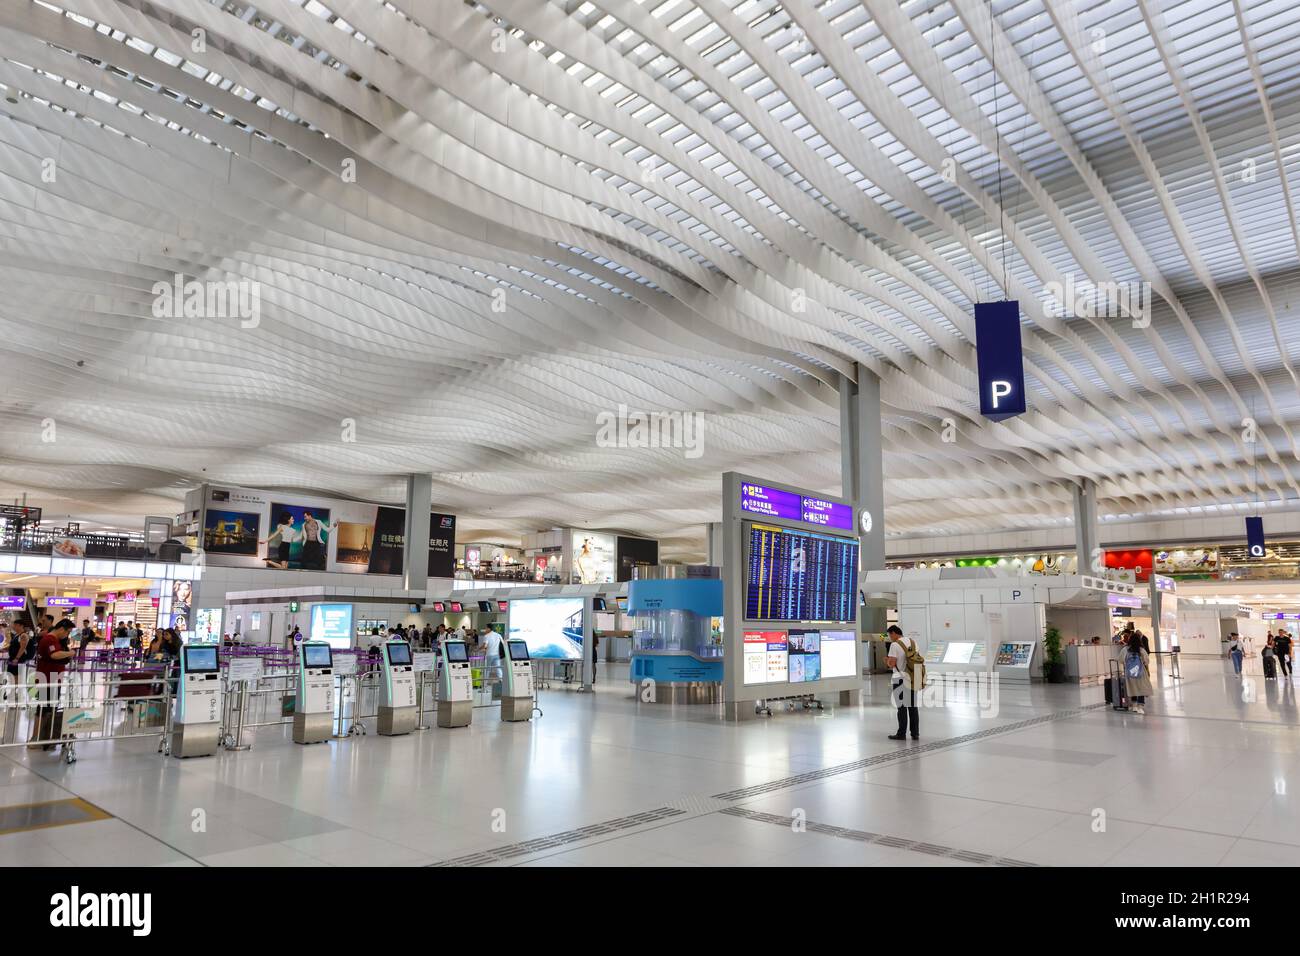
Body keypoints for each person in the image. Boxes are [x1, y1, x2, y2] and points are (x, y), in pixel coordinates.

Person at [32, 619, 75, 750]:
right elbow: (55, 655)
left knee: (49, 709)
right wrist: (70, 653)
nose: (67, 635)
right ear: (62, 628)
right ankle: (35, 739)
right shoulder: (49, 639)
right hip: (47, 679)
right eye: (67, 632)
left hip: (53, 678)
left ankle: (45, 738)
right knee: (43, 710)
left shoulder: (54, 640)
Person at [885, 625, 920, 741]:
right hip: (912, 677)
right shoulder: (913, 642)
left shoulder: (895, 645)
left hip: (899, 678)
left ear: (894, 633)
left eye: (890, 635)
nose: (890, 637)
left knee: (901, 707)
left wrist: (887, 661)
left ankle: (901, 733)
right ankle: (915, 733)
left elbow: (892, 663)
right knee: (913, 707)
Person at [1123, 630, 1153, 715]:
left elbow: (1121, 659)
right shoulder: (1141, 649)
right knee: (1141, 688)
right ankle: (1140, 707)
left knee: (1133, 688)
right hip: (1140, 672)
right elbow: (1146, 661)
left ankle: (1134, 706)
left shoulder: (1126, 649)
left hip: (1129, 673)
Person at [5, 620, 32, 686]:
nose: (13, 626)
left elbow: (22, 648)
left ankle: (16, 693)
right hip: (12, 658)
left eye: (15, 625)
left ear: (21, 626)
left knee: (16, 677)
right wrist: (3, 649)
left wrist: (17, 658)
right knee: (11, 677)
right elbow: (13, 646)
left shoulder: (24, 635)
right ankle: (12, 692)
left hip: (18, 660)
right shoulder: (16, 635)